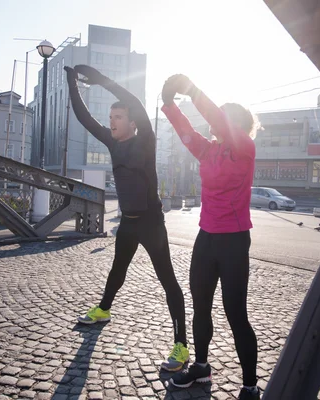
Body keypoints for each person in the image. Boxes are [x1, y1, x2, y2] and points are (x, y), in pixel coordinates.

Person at [65, 64, 189, 372]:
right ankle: (104, 310)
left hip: (151, 224)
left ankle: (182, 345)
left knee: (168, 281)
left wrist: (103, 80)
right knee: (117, 270)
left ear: (132, 122)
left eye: (118, 117)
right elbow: (83, 117)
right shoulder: (111, 142)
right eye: (110, 118)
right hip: (129, 224)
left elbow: (134, 100)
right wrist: (72, 82)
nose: (111, 122)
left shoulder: (145, 139)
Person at [160, 74, 259, 399]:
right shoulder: (209, 150)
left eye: (222, 117)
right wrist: (170, 104)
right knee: (201, 307)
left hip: (234, 242)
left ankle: (249, 386)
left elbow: (214, 116)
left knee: (236, 314)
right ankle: (201, 367)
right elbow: (186, 133)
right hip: (206, 239)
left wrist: (192, 90)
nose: (216, 121)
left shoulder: (245, 146)